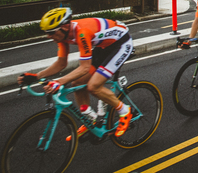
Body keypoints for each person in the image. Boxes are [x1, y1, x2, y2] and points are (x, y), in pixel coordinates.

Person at [18, 8, 134, 138]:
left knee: (93, 86)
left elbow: (84, 68)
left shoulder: (82, 33)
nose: (48, 36)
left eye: (51, 33)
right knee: (77, 82)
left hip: (121, 44)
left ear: (65, 27)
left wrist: (58, 82)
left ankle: (125, 111)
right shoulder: (62, 36)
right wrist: (36, 76)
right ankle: (91, 120)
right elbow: (61, 63)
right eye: (47, 33)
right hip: (103, 46)